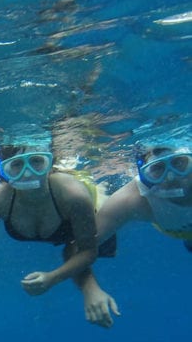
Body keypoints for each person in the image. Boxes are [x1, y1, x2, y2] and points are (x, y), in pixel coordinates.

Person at [0, 134, 101, 304]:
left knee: (90, 232)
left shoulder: (73, 196)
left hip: (89, 198)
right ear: (4, 170)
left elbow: (88, 250)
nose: (28, 173)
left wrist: (53, 277)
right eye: (16, 164)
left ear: (50, 164)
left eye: (37, 161)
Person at [80, 136, 192, 327]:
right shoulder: (131, 200)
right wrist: (90, 289)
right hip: (174, 229)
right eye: (157, 169)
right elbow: (80, 248)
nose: (172, 177)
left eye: (180, 164)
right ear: (144, 175)